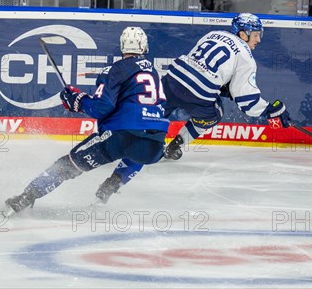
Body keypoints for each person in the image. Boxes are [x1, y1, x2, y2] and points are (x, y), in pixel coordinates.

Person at [94, 13, 290, 204]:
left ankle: (105, 147)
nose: (258, 40)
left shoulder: (213, 34)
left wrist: (223, 86)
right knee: (214, 114)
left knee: (147, 130)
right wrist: (271, 109)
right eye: (255, 35)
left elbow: (199, 67)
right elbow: (247, 101)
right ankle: (175, 146)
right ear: (243, 33)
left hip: (172, 82)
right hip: (199, 97)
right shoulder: (246, 57)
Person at [3, 27, 169, 214]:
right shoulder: (155, 74)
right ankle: (111, 186)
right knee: (140, 145)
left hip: (122, 136)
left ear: (122, 46)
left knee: (69, 164)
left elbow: (100, 108)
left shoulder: (117, 69)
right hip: (156, 145)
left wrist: (77, 100)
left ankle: (27, 197)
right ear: (145, 47)